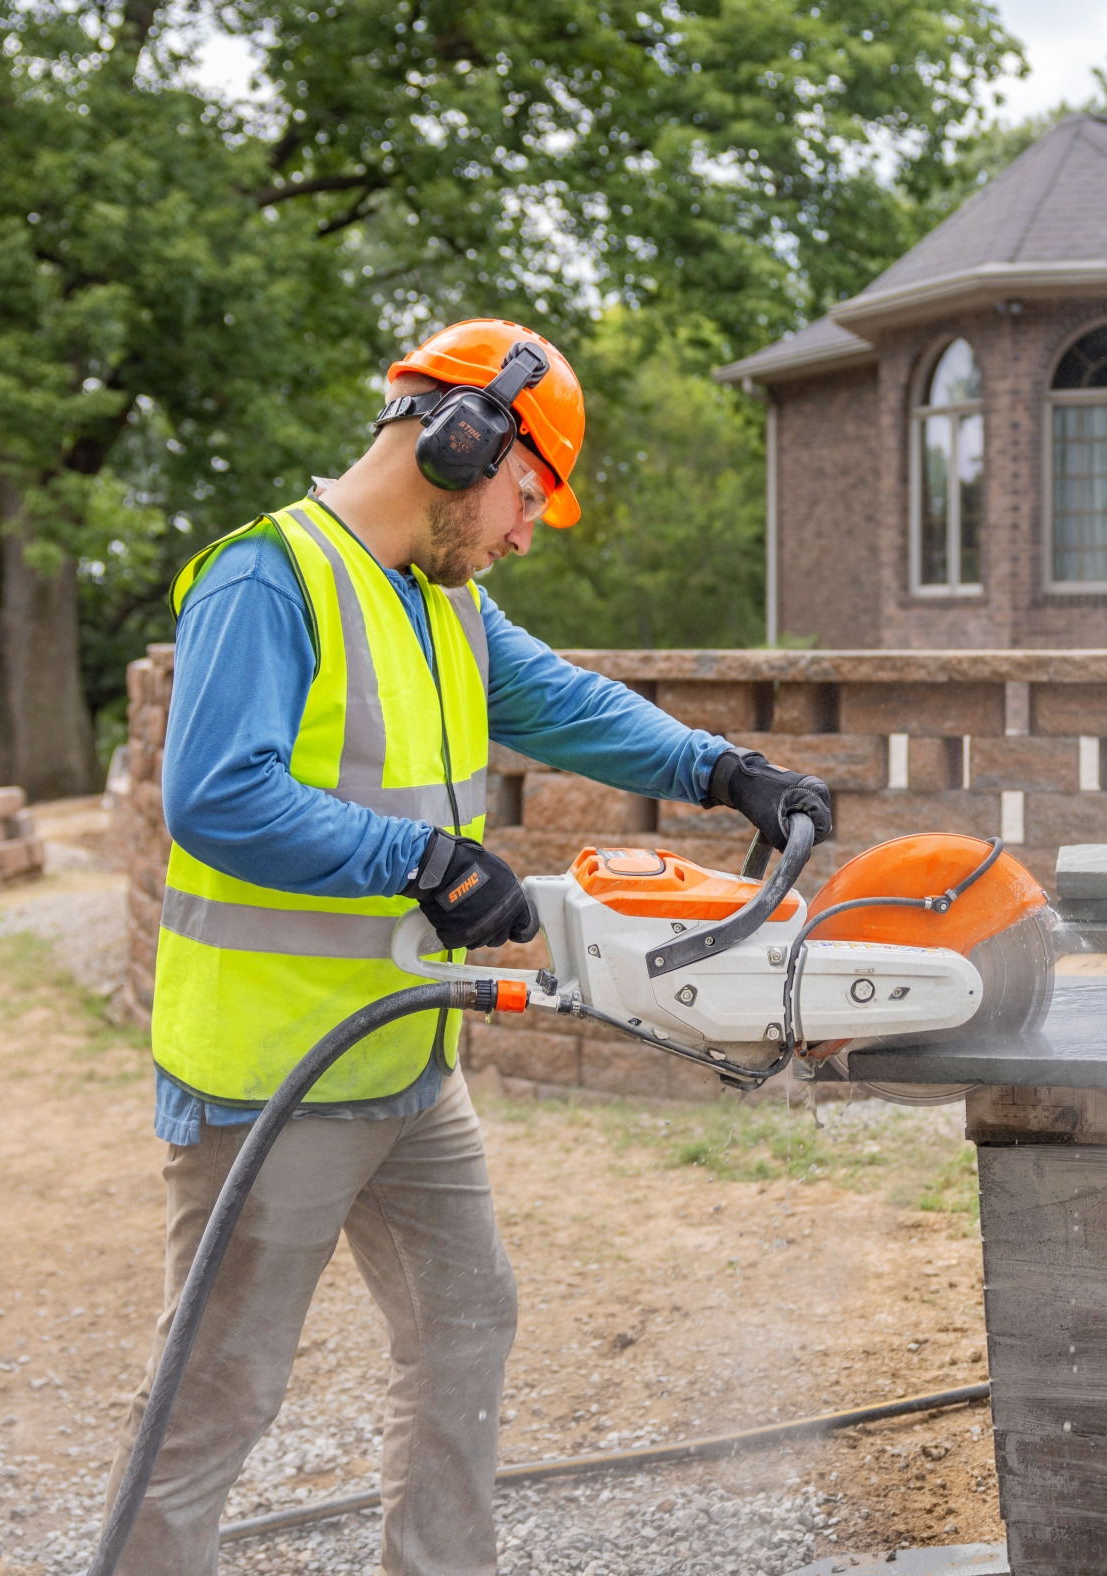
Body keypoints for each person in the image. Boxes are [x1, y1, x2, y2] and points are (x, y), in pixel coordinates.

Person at [103, 319, 834, 1575]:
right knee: (216, 1399)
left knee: (464, 1323)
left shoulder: (444, 605)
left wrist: (727, 771)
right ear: (463, 438)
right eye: (528, 489)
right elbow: (216, 795)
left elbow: (568, 703)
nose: (526, 525)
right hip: (271, 1076)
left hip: (403, 1061)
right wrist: (423, 860)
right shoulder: (266, 579)